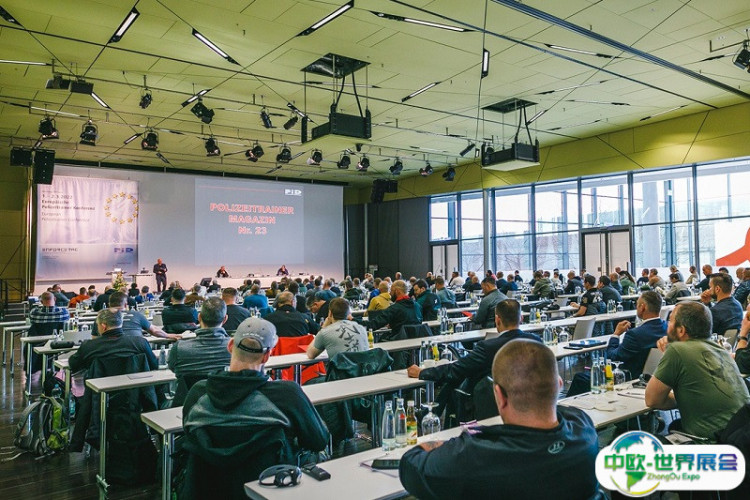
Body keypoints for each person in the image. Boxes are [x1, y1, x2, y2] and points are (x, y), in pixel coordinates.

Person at [400, 339, 599, 500]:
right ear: (559, 385)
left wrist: (449, 445)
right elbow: (562, 411)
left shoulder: (473, 456)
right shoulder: (585, 429)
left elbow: (409, 463)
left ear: (499, 396)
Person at [182, 317, 330, 498]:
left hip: (206, 491)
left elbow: (190, 436)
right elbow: (318, 441)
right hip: (271, 490)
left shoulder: (197, 393)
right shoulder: (287, 394)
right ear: (267, 356)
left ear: (230, 346)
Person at [407, 299, 542, 413]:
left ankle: (428, 416)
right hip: (532, 399)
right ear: (521, 318)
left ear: (497, 320)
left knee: (455, 380)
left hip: (492, 403)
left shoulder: (488, 347)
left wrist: (422, 372)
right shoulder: (536, 341)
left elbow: (456, 369)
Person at [645, 301, 750, 440]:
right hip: (741, 436)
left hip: (715, 443)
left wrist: (682, 397)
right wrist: (691, 396)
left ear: (681, 330)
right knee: (676, 426)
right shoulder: (722, 351)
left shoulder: (677, 350)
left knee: (642, 443)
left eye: (670, 321)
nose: (667, 325)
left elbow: (652, 400)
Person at [567, 292, 667, 396]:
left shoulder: (635, 334)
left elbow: (613, 357)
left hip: (628, 378)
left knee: (580, 378)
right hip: (656, 379)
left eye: (637, 305)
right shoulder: (667, 328)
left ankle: (565, 406)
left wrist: (616, 335)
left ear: (642, 307)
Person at [167, 297, 231, 405]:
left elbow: (172, 368)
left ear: (199, 317)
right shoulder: (236, 349)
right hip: (225, 406)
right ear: (225, 319)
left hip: (188, 407)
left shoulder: (180, 348)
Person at [69, 308, 158, 375]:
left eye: (98, 325)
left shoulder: (89, 346)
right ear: (121, 323)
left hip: (99, 392)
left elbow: (73, 365)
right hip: (136, 391)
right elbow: (154, 365)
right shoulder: (140, 343)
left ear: (103, 326)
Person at [106, 291, 179, 340]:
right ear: (125, 304)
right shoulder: (136, 314)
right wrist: (168, 335)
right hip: (135, 351)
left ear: (109, 304)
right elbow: (154, 330)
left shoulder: (103, 317)